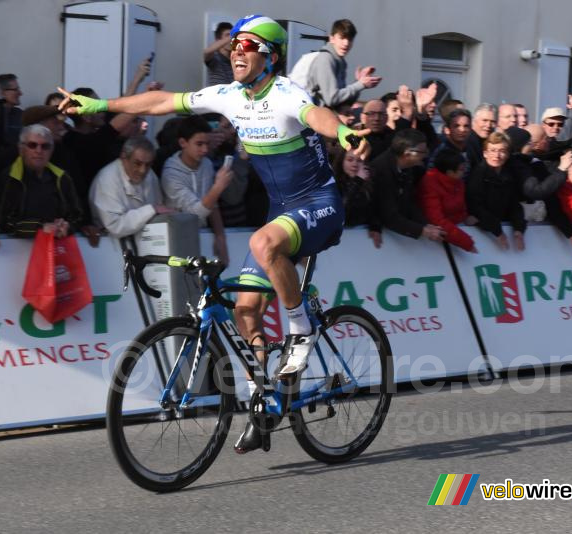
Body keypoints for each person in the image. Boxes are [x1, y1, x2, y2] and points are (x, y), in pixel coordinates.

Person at [59, 14, 370, 454]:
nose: (236, 52)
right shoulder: (228, 96)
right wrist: (99, 106)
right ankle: (267, 399)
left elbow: (315, 114)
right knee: (245, 311)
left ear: (270, 56)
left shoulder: (284, 93)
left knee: (263, 243)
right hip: (281, 211)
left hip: (319, 204)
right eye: (234, 47)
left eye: (247, 46)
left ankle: (301, 328)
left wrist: (343, 131)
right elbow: (161, 102)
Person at [161, 116, 232, 263]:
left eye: (207, 143)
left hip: (201, 237)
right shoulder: (170, 174)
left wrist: (220, 237)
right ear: (183, 143)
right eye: (199, 144)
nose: (205, 149)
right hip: (174, 240)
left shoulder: (206, 164)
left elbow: (213, 204)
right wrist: (218, 187)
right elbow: (196, 213)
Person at [0, 125, 83, 238]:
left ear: (51, 150)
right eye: (32, 145)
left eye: (45, 146)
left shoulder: (62, 177)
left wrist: (67, 227)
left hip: (58, 247)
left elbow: (78, 216)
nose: (39, 151)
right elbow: (4, 222)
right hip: (18, 250)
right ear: (21, 149)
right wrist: (41, 228)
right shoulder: (9, 178)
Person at [89, 136, 172, 238]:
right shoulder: (107, 179)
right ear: (124, 157)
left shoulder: (150, 175)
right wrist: (151, 210)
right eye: (137, 163)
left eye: (148, 165)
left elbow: (160, 209)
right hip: (111, 245)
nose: (143, 170)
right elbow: (115, 226)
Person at [371, 128, 445, 242]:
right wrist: (423, 230)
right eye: (422, 152)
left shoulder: (407, 167)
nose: (425, 155)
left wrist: (425, 224)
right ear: (407, 154)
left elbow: (408, 202)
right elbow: (389, 216)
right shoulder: (381, 171)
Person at [467, 132, 527, 250]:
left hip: (500, 227)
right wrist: (498, 231)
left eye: (502, 151)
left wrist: (518, 229)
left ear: (508, 154)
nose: (497, 155)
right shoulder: (478, 174)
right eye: (493, 150)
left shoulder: (509, 175)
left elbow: (514, 205)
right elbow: (475, 207)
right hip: (484, 233)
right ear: (485, 153)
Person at [306, 19, 381, 108]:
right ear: (332, 39)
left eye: (350, 39)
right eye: (342, 38)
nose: (346, 43)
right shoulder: (326, 59)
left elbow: (344, 103)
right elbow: (332, 99)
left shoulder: (340, 61)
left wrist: (359, 82)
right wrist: (360, 84)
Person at [418, 148, 476, 252]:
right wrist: (466, 242)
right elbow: (436, 219)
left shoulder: (458, 182)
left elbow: (461, 208)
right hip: (435, 240)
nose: (464, 172)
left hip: (455, 230)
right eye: (461, 170)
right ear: (449, 172)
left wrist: (466, 217)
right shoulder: (430, 184)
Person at [332, 147, 382, 247]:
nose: (354, 164)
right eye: (350, 160)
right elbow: (341, 211)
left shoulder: (371, 181)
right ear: (342, 161)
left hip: (359, 237)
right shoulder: (332, 182)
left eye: (359, 161)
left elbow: (376, 208)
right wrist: (358, 181)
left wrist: (375, 226)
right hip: (340, 240)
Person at [204, 21, 234, 85]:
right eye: (227, 35)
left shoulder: (235, 58)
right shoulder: (214, 58)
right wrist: (231, 37)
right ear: (218, 40)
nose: (231, 40)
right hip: (217, 94)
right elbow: (207, 52)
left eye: (232, 35)